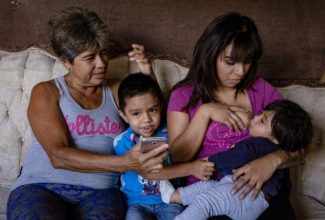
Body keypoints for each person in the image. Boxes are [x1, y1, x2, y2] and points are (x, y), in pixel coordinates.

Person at [6, 7, 169, 219]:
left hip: (101, 191)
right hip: (41, 186)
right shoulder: (47, 92)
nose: (101, 64)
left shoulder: (117, 90)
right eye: (90, 58)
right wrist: (126, 163)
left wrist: (148, 73)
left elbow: (155, 122)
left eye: (103, 53)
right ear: (66, 61)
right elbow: (58, 156)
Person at [167, 12, 297, 219]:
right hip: (210, 193)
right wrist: (205, 112)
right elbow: (177, 156)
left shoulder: (260, 90)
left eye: (247, 62)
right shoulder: (183, 95)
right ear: (210, 54)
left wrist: (272, 161)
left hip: (260, 191)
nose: (240, 72)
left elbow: (300, 138)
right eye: (231, 62)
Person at [161, 100, 313, 220]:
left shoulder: (259, 144)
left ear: (276, 139)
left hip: (246, 197)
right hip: (244, 195)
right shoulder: (275, 145)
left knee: (206, 201)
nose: (256, 117)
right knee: (208, 187)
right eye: (260, 114)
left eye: (262, 121)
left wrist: (209, 160)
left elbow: (234, 157)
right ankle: (175, 196)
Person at [114, 73, 215, 220]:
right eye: (136, 114)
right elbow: (149, 168)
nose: (147, 120)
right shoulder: (123, 142)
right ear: (123, 116)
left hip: (170, 201)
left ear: (160, 107)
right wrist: (192, 167)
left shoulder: (170, 133)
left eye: (153, 110)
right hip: (137, 203)